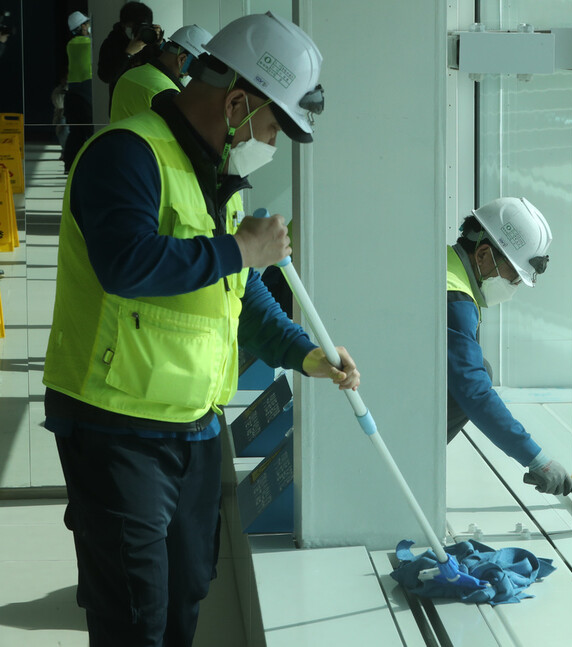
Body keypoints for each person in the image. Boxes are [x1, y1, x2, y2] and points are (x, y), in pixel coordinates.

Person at [42, 12, 347, 645]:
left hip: (194, 429)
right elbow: (124, 264)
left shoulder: (221, 182)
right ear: (237, 102)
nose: (269, 141)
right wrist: (239, 250)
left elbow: (239, 298)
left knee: (186, 598)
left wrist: (305, 353)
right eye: (270, 125)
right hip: (114, 426)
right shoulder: (126, 154)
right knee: (134, 612)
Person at [447, 197, 572, 496]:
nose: (515, 285)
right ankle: (405, 463)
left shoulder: (443, 267)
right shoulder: (454, 300)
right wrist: (536, 458)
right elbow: (473, 392)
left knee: (483, 369)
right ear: (483, 255)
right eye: (514, 275)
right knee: (475, 381)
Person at [110, 24, 212, 122]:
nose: (190, 75)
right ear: (182, 60)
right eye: (195, 68)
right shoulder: (168, 93)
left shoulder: (129, 74)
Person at [97, 1, 162, 100]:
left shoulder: (149, 42)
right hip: (122, 107)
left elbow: (162, 71)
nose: (138, 32)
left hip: (147, 104)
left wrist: (158, 44)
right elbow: (106, 77)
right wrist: (128, 54)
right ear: (123, 25)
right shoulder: (111, 43)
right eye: (135, 28)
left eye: (143, 27)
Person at [63, 11, 92, 173]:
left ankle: (69, 165)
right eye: (87, 24)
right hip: (86, 88)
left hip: (72, 89)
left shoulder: (70, 44)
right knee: (89, 129)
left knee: (75, 131)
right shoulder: (89, 43)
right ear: (82, 26)